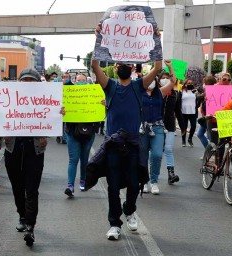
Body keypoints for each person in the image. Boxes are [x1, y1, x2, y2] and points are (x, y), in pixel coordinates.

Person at [92, 23, 163, 241]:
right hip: (113, 144)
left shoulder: (139, 85)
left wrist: (155, 38)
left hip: (133, 143)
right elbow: (95, 66)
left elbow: (158, 67)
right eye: (119, 63)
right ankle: (114, 224)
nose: (122, 65)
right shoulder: (110, 86)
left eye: (127, 63)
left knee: (134, 183)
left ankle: (129, 210)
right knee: (113, 186)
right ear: (115, 68)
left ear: (132, 69)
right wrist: (98, 37)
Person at [0, 68, 64, 247]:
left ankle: (30, 225)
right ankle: (22, 216)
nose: (28, 84)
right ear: (19, 82)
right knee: (17, 187)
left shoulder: (45, 99)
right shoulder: (8, 98)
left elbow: (51, 119)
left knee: (31, 189)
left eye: (32, 81)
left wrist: (59, 113)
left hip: (35, 149)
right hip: (13, 148)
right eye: (25, 81)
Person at [140, 61, 176, 195]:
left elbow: (173, 81)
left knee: (156, 155)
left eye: (153, 79)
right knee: (142, 156)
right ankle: (143, 181)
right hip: (142, 128)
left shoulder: (160, 92)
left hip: (157, 127)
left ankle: (154, 182)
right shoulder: (138, 93)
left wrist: (170, 66)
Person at [64, 74, 100, 197]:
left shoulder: (93, 96)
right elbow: (61, 110)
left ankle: (83, 181)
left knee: (84, 160)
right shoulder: (68, 95)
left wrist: (102, 104)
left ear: (87, 82)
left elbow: (101, 111)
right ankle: (70, 185)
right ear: (74, 81)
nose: (80, 82)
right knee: (73, 159)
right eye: (78, 80)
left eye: (83, 81)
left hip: (88, 132)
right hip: (72, 131)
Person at [160, 71, 184, 185]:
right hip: (155, 125)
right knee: (153, 152)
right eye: (162, 78)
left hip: (169, 125)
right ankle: (148, 175)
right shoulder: (154, 93)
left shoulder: (176, 94)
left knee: (168, 149)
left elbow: (178, 111)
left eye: (167, 78)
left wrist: (183, 126)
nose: (165, 80)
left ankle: (171, 174)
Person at [196, 76, 217, 151]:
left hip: (209, 118)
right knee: (201, 134)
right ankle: (208, 152)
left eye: (204, 83)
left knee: (209, 137)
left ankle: (210, 152)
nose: (203, 85)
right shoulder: (205, 94)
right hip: (205, 118)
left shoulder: (213, 94)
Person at [181, 79, 197, 147]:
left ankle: (190, 138)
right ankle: (183, 140)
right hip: (184, 111)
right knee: (184, 127)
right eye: (188, 83)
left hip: (193, 112)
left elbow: (199, 100)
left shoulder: (195, 91)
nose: (190, 84)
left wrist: (198, 95)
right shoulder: (182, 91)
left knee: (193, 126)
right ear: (185, 84)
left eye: (191, 83)